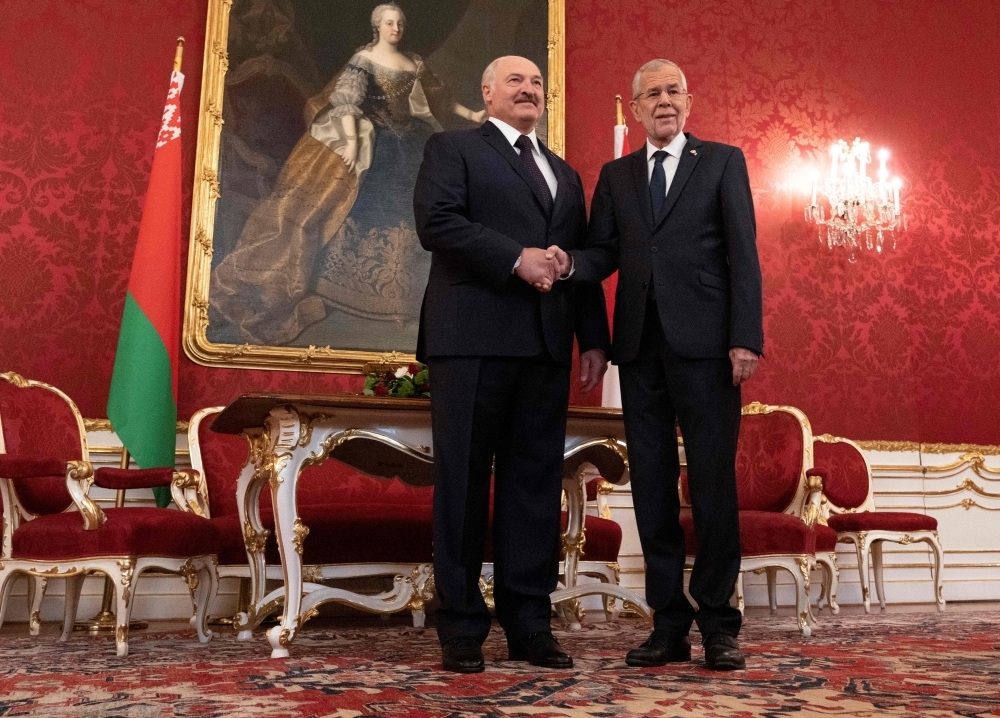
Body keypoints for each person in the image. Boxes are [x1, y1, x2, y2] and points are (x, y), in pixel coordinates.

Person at [557, 59, 763, 671]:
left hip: (708, 351)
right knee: (649, 491)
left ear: (689, 102)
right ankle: (667, 625)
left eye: (674, 91)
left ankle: (720, 625)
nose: (664, 101)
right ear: (636, 108)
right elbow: (599, 257)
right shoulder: (617, 175)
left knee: (712, 488)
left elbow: (743, 256)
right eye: (653, 94)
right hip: (639, 353)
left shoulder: (723, 162)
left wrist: (744, 338)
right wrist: (564, 265)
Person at [413, 55, 610, 673]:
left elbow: (578, 260)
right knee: (465, 486)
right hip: (471, 341)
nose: (529, 90)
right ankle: (463, 628)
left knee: (532, 493)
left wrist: (594, 340)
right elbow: (436, 224)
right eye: (516, 82)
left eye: (537, 84)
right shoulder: (452, 148)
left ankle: (530, 625)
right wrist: (514, 258)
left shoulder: (566, 174)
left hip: (547, 348)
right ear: (487, 91)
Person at [212, 3, 485, 346]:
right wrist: (354, 143)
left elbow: (438, 101)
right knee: (363, 193)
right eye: (389, 23)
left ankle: (408, 293)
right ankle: (342, 285)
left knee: (427, 200)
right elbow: (345, 101)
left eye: (399, 23)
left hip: (412, 138)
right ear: (377, 27)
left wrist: (472, 114)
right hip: (372, 136)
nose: (395, 29)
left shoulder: (414, 62)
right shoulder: (364, 59)